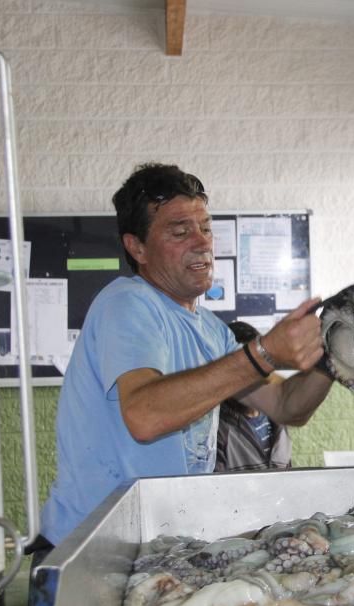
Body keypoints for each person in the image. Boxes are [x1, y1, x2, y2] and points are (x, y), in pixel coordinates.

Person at [30, 163, 332, 562]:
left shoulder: (211, 330)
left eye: (206, 228)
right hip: (89, 555)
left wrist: (335, 353)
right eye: (180, 232)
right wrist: (263, 353)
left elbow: (287, 406)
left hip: (159, 552)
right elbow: (145, 415)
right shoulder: (127, 304)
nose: (202, 243)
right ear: (137, 248)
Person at [215, 321, 292, 471]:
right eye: (242, 368)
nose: (252, 375)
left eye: (258, 364)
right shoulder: (218, 429)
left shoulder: (278, 418)